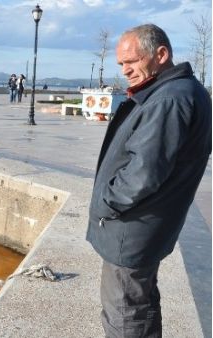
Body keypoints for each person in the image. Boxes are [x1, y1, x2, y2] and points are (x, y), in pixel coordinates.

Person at [86, 23, 211, 338]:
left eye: (131, 61)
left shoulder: (169, 98)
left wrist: (105, 201)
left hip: (133, 230)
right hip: (144, 229)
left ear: (161, 54)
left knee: (125, 316)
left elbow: (144, 173)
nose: (125, 70)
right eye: (121, 64)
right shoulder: (180, 91)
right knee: (139, 306)